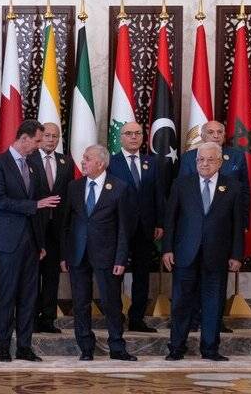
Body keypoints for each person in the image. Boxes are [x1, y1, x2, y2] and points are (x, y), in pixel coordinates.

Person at [163, 142, 246, 362]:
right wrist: (167, 249)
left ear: (219, 162)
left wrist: (236, 255)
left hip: (217, 255)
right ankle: (176, 348)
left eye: (210, 159)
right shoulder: (181, 184)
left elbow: (238, 225)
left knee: (213, 303)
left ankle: (210, 349)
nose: (205, 163)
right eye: (200, 159)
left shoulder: (233, 187)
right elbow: (170, 220)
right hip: (185, 254)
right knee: (181, 303)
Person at [0, 119, 59, 362]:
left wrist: (41, 244)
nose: (39, 146)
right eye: (37, 140)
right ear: (24, 138)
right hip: (7, 242)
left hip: (31, 243)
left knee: (30, 296)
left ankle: (25, 347)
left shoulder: (33, 166)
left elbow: (40, 209)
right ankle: (4, 347)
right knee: (7, 295)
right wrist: (33, 205)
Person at [60, 145, 135, 361]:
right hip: (78, 254)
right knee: (81, 303)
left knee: (112, 303)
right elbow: (65, 225)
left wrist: (121, 257)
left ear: (100, 164)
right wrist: (65, 255)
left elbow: (124, 227)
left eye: (87, 158)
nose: (82, 161)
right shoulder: (74, 187)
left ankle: (117, 348)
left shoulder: (119, 187)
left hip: (108, 256)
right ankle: (86, 347)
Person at [177, 120, 247, 334]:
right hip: (191, 235)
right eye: (211, 132)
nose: (216, 135)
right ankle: (190, 321)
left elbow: (244, 194)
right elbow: (181, 199)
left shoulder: (235, 157)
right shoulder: (189, 158)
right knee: (188, 286)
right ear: (202, 134)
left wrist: (244, 224)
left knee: (214, 288)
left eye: (219, 132)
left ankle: (213, 325)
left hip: (220, 235)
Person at [107, 120, 169, 333]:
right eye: (129, 133)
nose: (134, 137)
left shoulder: (152, 162)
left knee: (142, 274)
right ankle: (115, 317)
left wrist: (160, 222)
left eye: (138, 133)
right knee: (115, 273)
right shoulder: (110, 162)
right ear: (121, 138)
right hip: (118, 227)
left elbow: (159, 195)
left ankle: (137, 318)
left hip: (146, 227)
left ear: (143, 137)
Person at [35, 121, 75, 334]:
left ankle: (48, 319)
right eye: (47, 135)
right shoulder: (29, 159)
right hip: (34, 227)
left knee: (52, 276)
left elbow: (68, 197)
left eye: (55, 136)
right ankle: (30, 318)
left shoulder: (65, 162)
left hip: (56, 229)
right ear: (40, 137)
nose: (51, 140)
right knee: (32, 276)